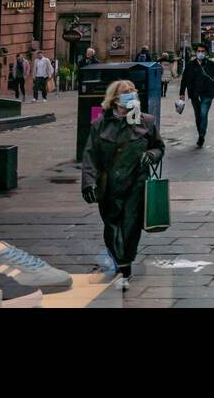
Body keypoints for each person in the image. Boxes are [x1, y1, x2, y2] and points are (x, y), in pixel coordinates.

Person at [80, 80, 164, 287]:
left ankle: (124, 270)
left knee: (130, 226)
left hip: (137, 183)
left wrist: (151, 155)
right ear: (115, 99)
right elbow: (89, 155)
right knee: (111, 226)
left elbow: (159, 147)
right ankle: (118, 263)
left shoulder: (145, 122)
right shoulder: (100, 124)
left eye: (133, 93)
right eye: (127, 93)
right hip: (109, 185)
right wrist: (88, 182)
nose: (132, 97)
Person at [179, 47, 214, 148]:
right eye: (199, 51)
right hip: (194, 94)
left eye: (202, 51)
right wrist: (182, 93)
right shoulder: (190, 65)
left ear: (205, 53)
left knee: (203, 113)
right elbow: (184, 79)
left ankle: (202, 135)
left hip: (207, 94)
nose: (200, 53)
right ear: (196, 53)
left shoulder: (210, 64)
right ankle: (200, 134)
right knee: (198, 116)